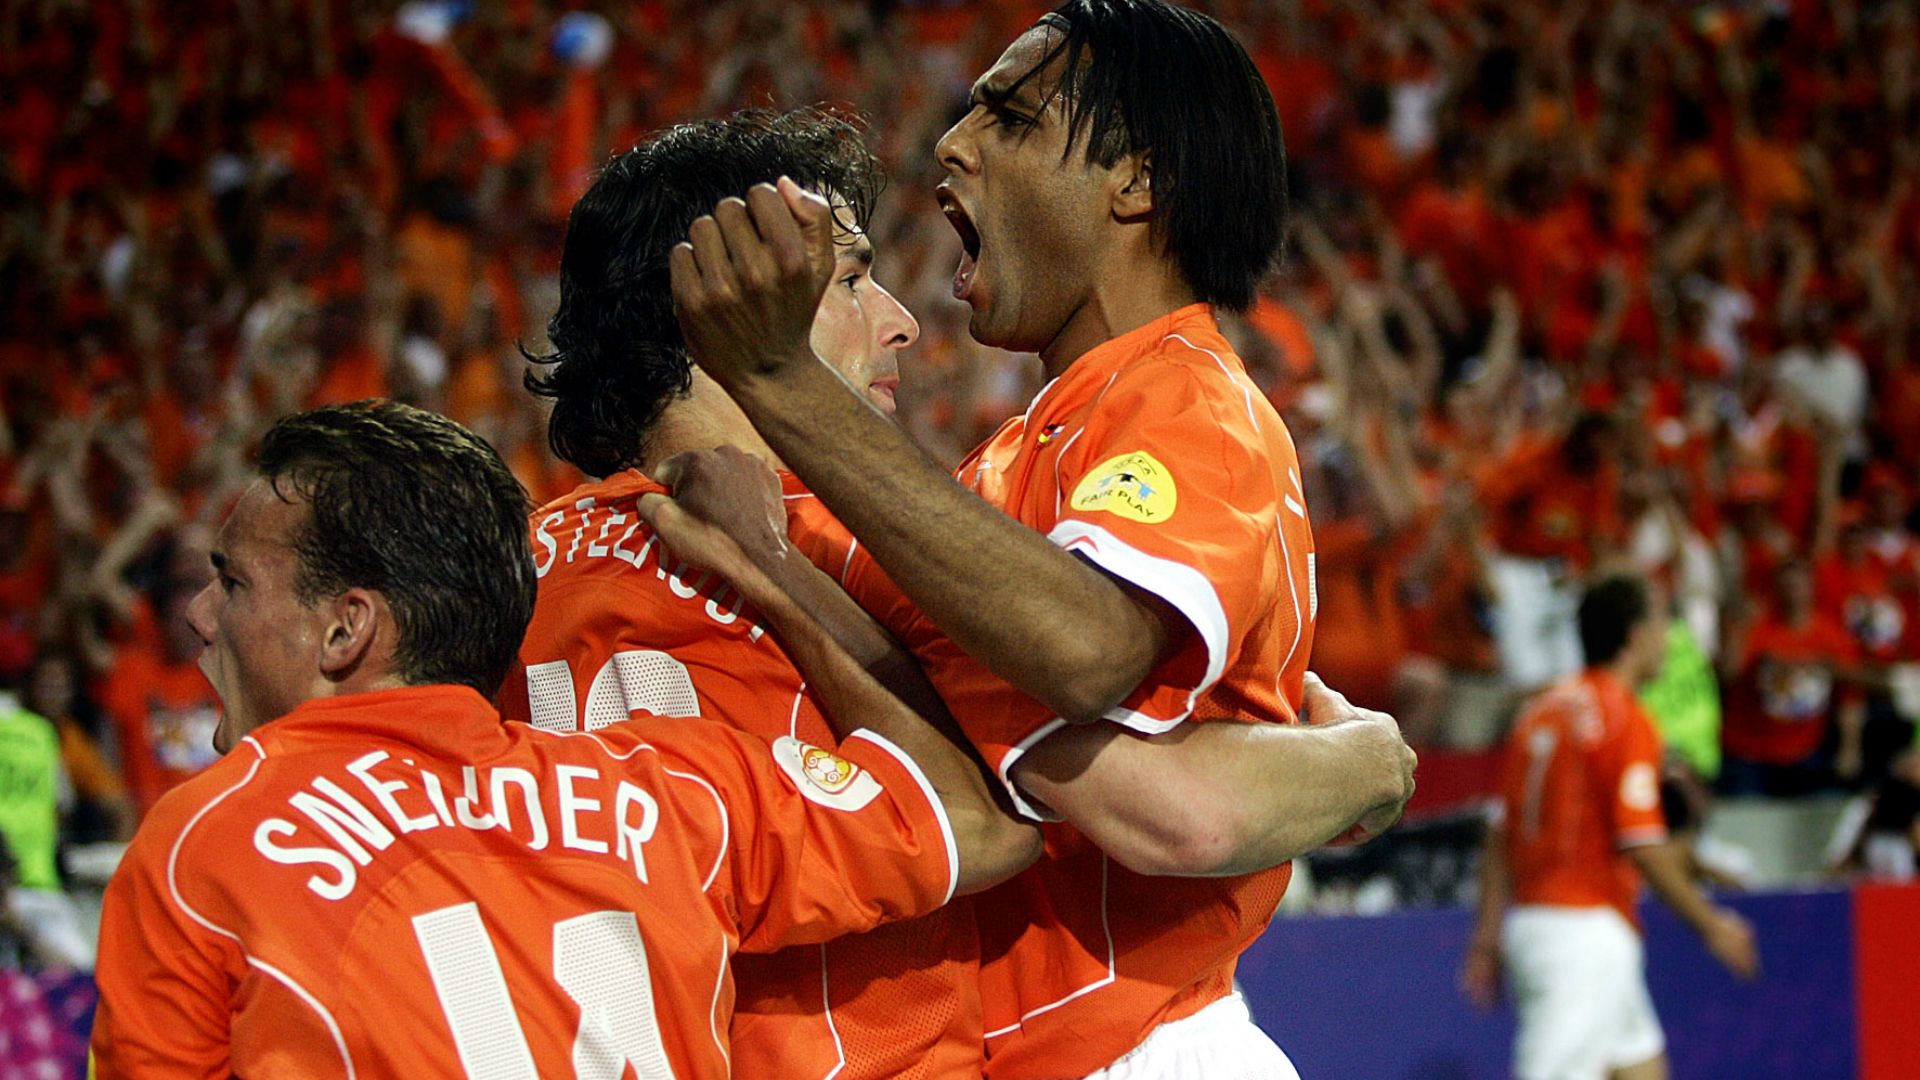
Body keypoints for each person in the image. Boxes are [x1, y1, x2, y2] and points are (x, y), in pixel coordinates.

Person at [664, 2, 1417, 1075]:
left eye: (1008, 117)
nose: (951, 144)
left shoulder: (1186, 398)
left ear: (1136, 181)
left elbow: (1089, 654)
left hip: (1145, 1047)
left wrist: (784, 385)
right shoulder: (1030, 450)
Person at [89, 401, 1041, 1077]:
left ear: (347, 629)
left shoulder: (202, 851)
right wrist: (769, 574)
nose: (201, 616)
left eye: (234, 582)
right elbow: (979, 822)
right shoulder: (672, 796)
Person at [502, 108, 985, 1080]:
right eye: (849, 277)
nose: (899, 318)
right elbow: (1007, 812)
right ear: (725, 300)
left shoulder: (503, 575)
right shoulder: (882, 543)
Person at [1462, 573, 1759, 1080]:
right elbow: (1642, 842)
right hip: (1583, 936)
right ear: (1634, 636)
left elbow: (1498, 833)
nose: (1668, 635)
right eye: (1662, 621)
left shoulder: (1544, 710)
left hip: (1545, 925)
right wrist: (1711, 925)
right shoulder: (1625, 718)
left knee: (1642, 1069)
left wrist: (1488, 938)